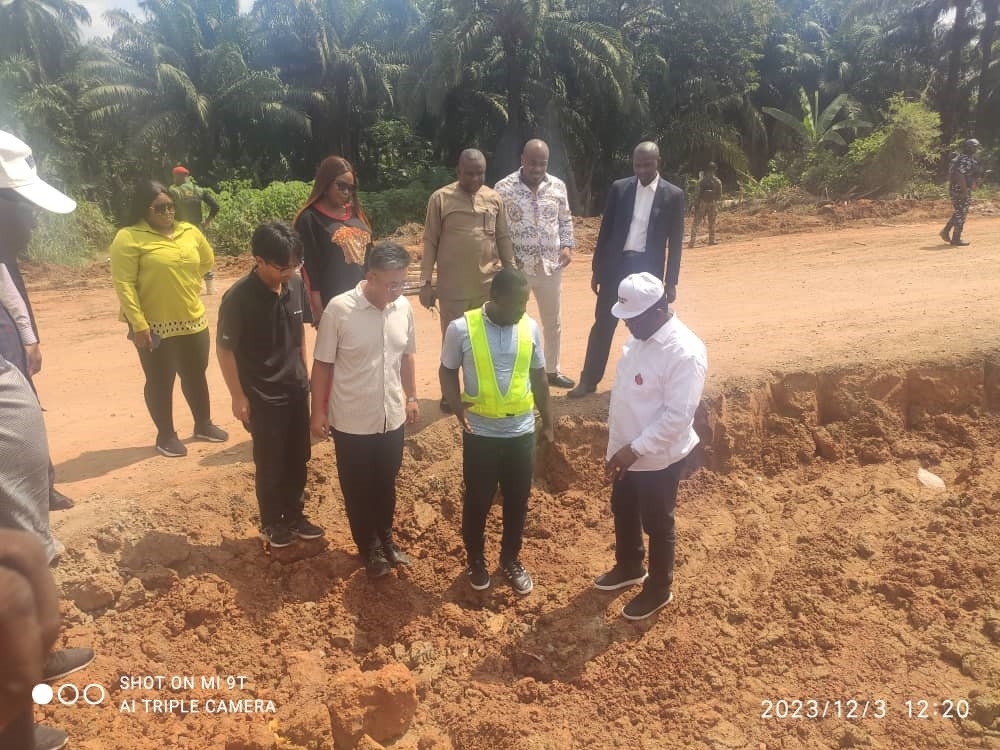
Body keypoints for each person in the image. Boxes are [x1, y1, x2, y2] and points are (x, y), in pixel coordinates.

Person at [594, 272, 706, 621]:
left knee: (658, 522)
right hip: (627, 449)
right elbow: (627, 398)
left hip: (658, 457)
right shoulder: (641, 336)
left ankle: (659, 587)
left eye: (632, 319)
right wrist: (618, 448)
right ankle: (629, 565)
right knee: (623, 508)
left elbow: (677, 418)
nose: (627, 326)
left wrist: (634, 449)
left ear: (658, 311)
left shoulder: (684, 352)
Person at [439, 267, 553, 595]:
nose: (522, 310)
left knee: (518, 501)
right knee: (478, 500)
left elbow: (539, 377)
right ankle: (476, 559)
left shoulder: (529, 327)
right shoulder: (461, 328)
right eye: (517, 304)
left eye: (525, 303)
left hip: (520, 431)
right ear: (496, 298)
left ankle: (510, 560)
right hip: (481, 433)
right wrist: (456, 407)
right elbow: (446, 371)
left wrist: (548, 421)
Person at [310, 241, 419, 579]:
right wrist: (318, 412)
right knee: (358, 486)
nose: (398, 290)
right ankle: (368, 547)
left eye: (402, 282)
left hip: (391, 417)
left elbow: (406, 356)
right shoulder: (339, 310)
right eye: (391, 283)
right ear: (370, 276)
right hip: (353, 418)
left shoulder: (402, 308)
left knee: (385, 482)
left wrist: (411, 396)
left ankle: (386, 540)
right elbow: (323, 365)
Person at [216, 222, 323, 549]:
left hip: (294, 390)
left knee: (297, 456)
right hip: (262, 395)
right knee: (271, 460)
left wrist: (303, 373)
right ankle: (271, 521)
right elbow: (225, 349)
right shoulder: (238, 299)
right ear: (259, 260)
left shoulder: (294, 286)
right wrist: (238, 396)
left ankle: (294, 515)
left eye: (295, 264)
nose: (290, 272)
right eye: (282, 266)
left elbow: (299, 334)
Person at [110, 180, 229, 457]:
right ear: (144, 210)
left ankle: (203, 424)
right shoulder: (129, 237)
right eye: (160, 208)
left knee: (195, 374)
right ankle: (166, 434)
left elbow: (207, 261)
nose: (167, 213)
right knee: (160, 380)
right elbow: (124, 284)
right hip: (153, 325)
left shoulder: (190, 231)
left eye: (171, 206)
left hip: (192, 319)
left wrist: (185, 280)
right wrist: (138, 324)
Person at [568, 142, 685, 398]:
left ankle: (651, 385)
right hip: (616, 266)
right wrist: (597, 270)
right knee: (603, 324)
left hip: (649, 272)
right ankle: (588, 381)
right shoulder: (620, 188)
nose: (642, 170)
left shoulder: (673, 195)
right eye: (638, 165)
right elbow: (606, 230)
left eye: (647, 164)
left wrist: (671, 281)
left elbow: (675, 242)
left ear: (658, 162)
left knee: (651, 328)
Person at [0, 130, 77, 511]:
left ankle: (42, 489)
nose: (34, 221)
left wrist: (30, 338)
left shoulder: (4, 258)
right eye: (27, 207)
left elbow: (15, 300)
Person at [419, 149, 515, 411]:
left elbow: (503, 238)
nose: (475, 178)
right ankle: (450, 394)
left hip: (487, 287)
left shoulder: (494, 198)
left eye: (480, 173)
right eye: (469, 173)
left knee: (485, 341)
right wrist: (426, 282)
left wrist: (512, 272)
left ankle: (481, 390)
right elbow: (429, 242)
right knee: (453, 342)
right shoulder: (441, 199)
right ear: (458, 171)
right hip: (453, 290)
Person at [494, 139, 577, 389]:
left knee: (553, 321)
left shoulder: (558, 187)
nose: (537, 168)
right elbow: (496, 228)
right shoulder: (503, 188)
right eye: (532, 163)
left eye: (542, 163)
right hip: (517, 268)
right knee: (513, 321)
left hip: (550, 266)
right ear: (522, 160)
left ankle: (551, 371)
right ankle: (516, 375)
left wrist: (567, 246)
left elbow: (565, 220)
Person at [294, 156, 373, 323]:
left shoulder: (356, 214)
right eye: (341, 186)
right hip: (334, 303)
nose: (346, 192)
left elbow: (370, 259)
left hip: (364, 298)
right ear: (325, 183)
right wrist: (317, 307)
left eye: (350, 188)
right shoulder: (310, 219)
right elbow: (309, 268)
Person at [168, 165, 220, 294]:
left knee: (180, 256)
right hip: (197, 229)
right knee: (203, 256)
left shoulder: (174, 191)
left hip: (179, 229)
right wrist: (206, 223)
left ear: (179, 177)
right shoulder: (199, 190)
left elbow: (167, 209)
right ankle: (210, 289)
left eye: (175, 176)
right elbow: (215, 206)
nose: (174, 179)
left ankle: (184, 287)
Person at [940, 138, 981, 246]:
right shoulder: (966, 160)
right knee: (961, 213)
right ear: (971, 148)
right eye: (975, 147)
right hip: (961, 189)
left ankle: (946, 231)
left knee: (959, 212)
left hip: (954, 188)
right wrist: (964, 191)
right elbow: (959, 175)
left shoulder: (960, 157)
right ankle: (956, 238)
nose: (976, 149)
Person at [689, 161, 722, 247]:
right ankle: (711, 240)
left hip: (703, 203)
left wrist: (694, 205)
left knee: (696, 222)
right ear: (714, 170)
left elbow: (697, 194)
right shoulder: (717, 181)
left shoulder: (701, 181)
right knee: (712, 222)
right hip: (712, 203)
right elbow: (719, 195)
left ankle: (692, 242)